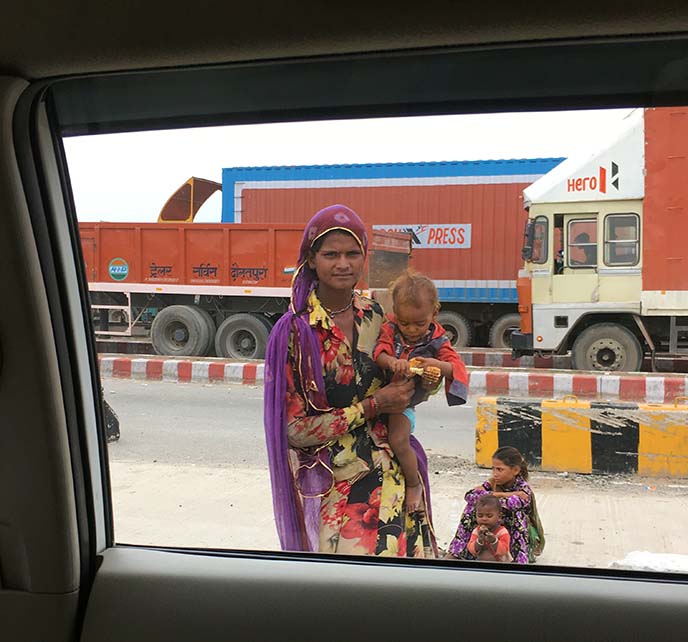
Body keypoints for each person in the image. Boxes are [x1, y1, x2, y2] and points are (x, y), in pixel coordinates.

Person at [263, 204, 438, 557]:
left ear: (364, 257)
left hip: (397, 478)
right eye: (330, 254)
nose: (342, 263)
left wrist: (423, 382)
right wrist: (373, 406)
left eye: (352, 253)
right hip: (342, 489)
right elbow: (294, 430)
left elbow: (402, 389)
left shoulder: (377, 315)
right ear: (311, 259)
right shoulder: (296, 332)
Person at [373, 269, 468, 512]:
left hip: (402, 405)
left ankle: (414, 483)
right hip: (377, 397)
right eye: (404, 323)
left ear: (434, 313)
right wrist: (391, 362)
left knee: (398, 439)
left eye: (419, 323)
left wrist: (437, 366)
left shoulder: (437, 339)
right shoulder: (390, 328)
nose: (412, 330)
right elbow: (380, 352)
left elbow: (456, 366)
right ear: (395, 312)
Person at [446, 446, 545, 564]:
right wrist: (504, 494)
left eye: (500, 469)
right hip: (491, 520)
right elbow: (469, 496)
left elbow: (513, 504)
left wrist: (489, 496)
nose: (495, 474)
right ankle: (458, 551)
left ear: (515, 470)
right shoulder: (493, 482)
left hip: (509, 530)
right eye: (493, 469)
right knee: (474, 507)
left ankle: (518, 557)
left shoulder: (523, 487)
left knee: (514, 513)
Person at [467, 495, 511, 562]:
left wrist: (494, 540)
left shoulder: (502, 532)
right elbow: (471, 549)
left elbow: (504, 550)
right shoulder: (476, 531)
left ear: (499, 516)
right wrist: (479, 541)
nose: (484, 519)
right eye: (480, 515)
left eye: (489, 516)